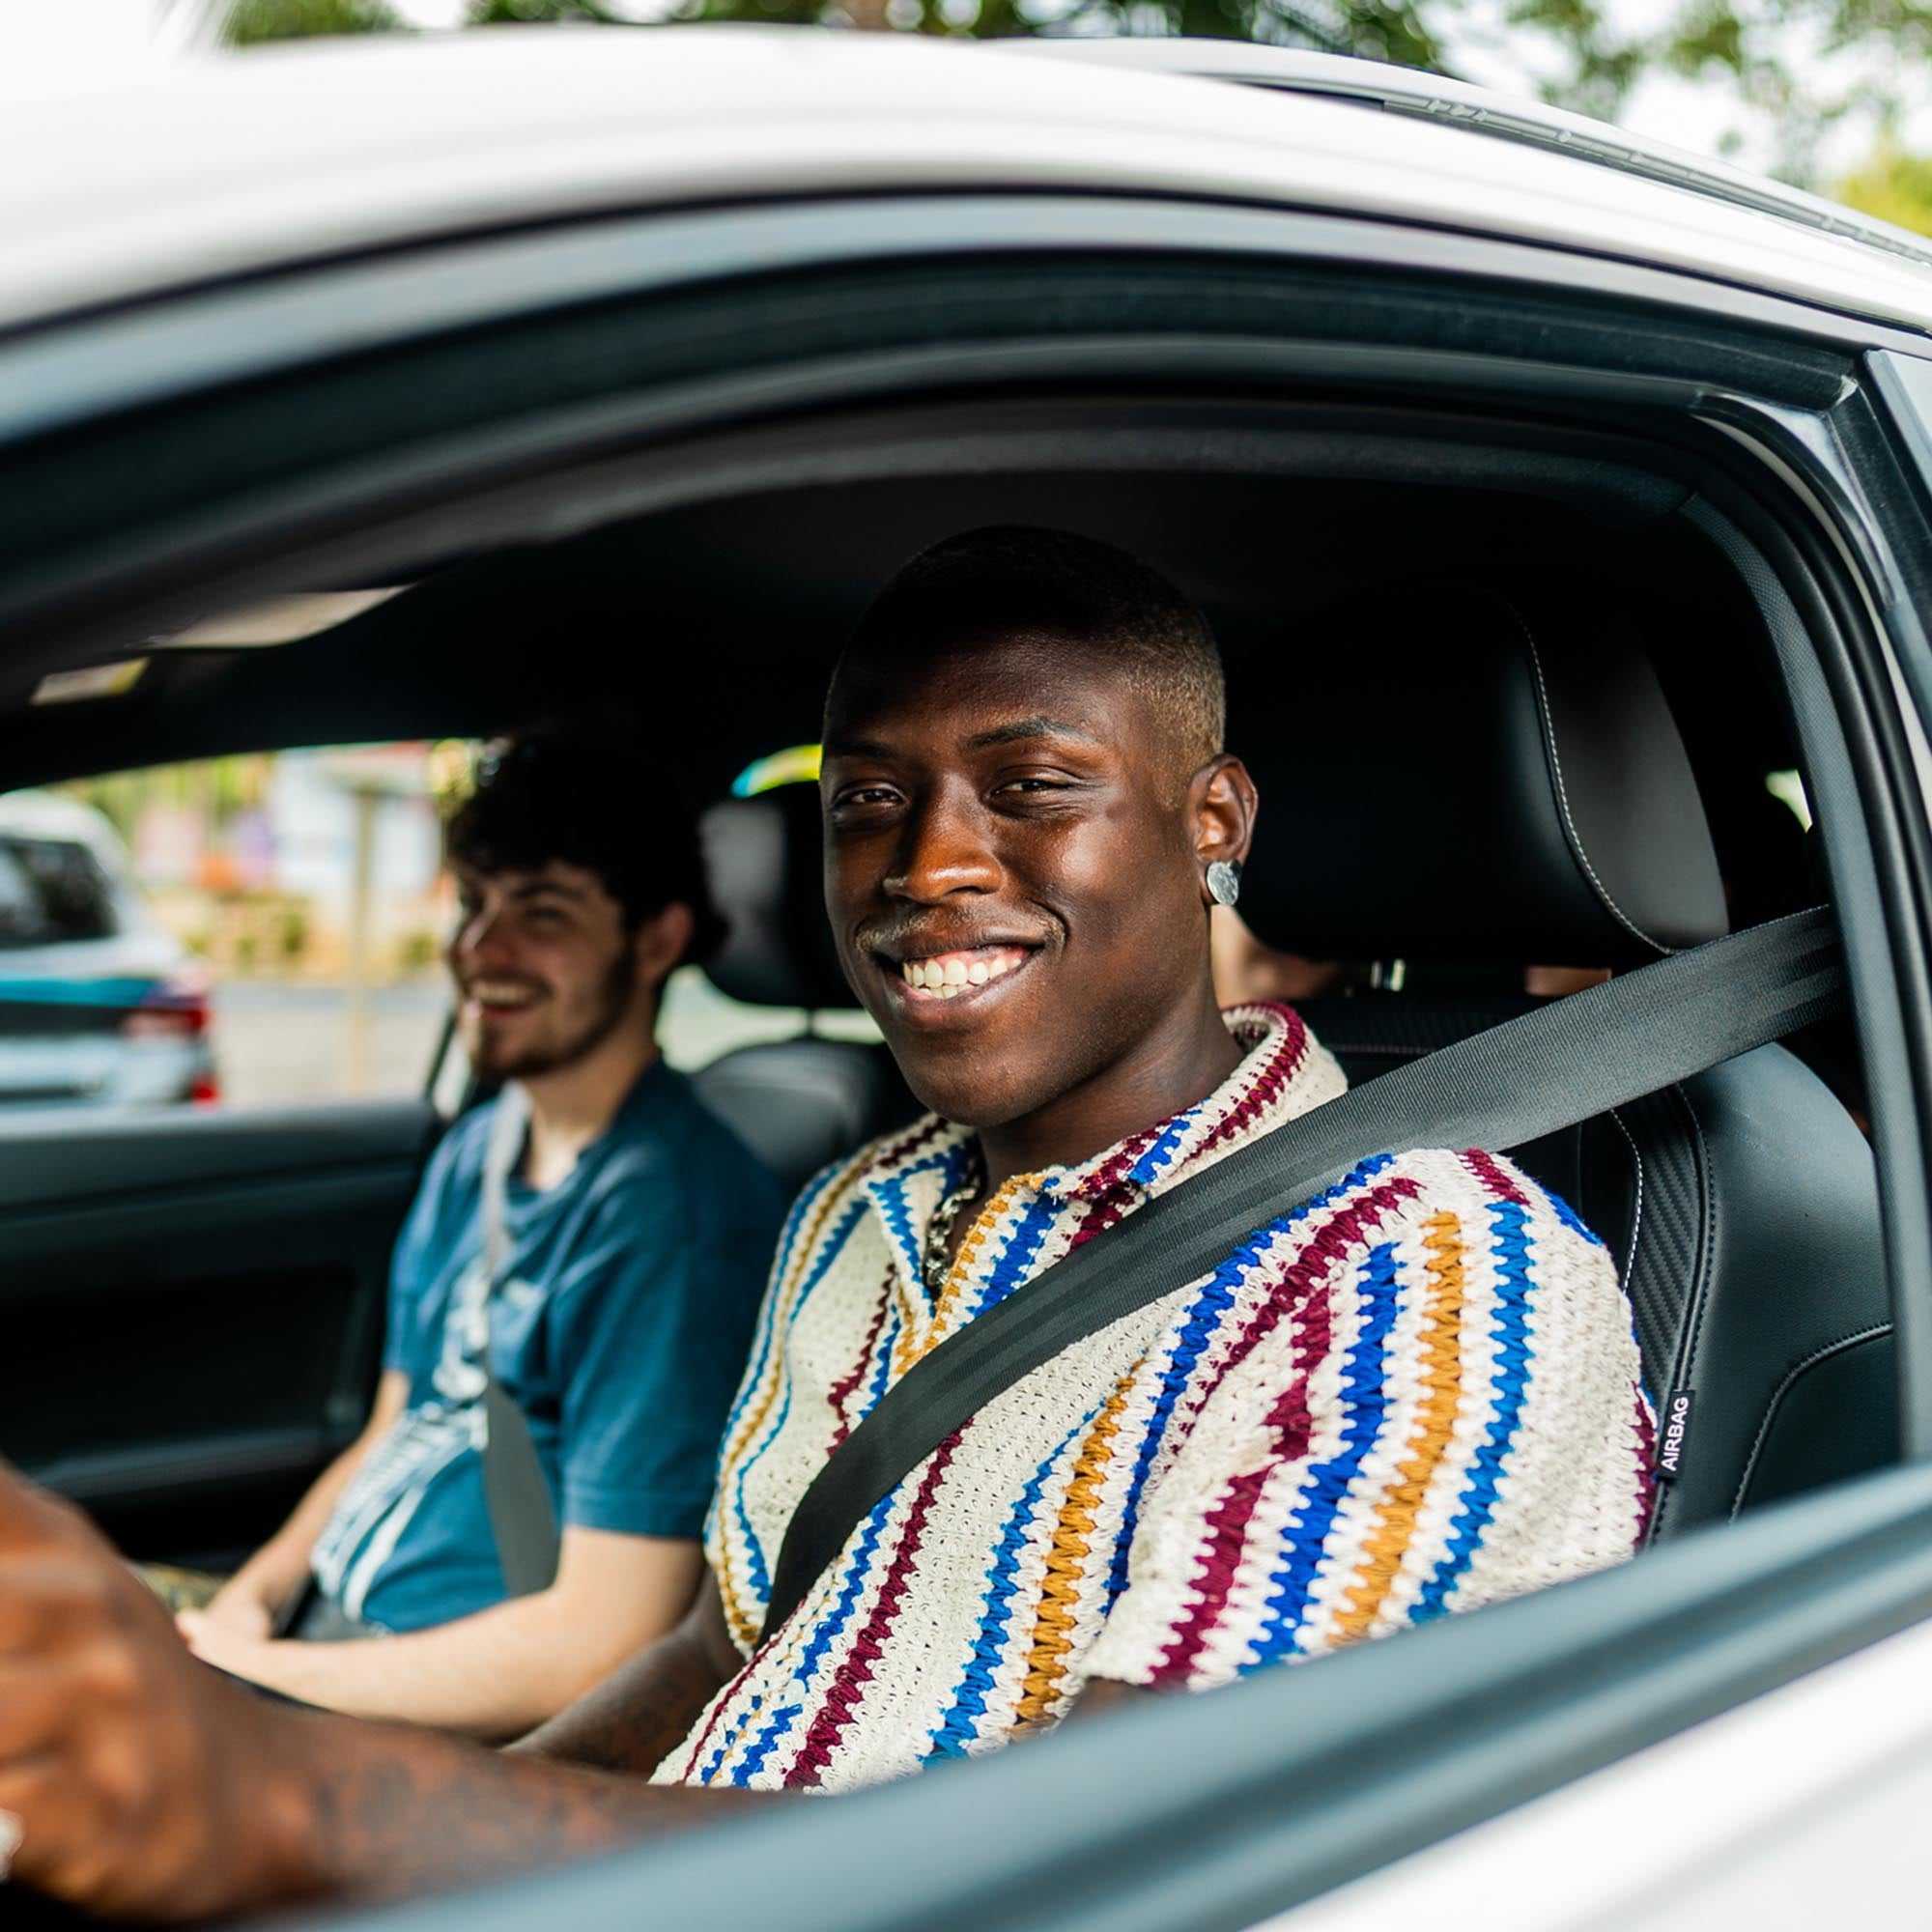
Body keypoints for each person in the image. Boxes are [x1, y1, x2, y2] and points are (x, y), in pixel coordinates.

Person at [0, 530, 1651, 1920]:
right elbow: (740, 1632)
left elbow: (1104, 1864)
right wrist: (446, 1840)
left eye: (1031, 786)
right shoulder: (859, 1211)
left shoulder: (1427, 1276)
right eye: (869, 799)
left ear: (1213, 824)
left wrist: (308, 1795)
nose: (926, 861)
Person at [170, 734, 785, 1742]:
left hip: (442, 1721)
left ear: (655, 940)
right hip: (324, 1648)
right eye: (474, 905)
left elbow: (598, 1638)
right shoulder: (482, 1147)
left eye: (540, 915)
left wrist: (263, 1682)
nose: (479, 950)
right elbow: (391, 1429)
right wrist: (247, 1604)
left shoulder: (670, 1217)